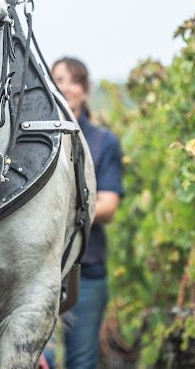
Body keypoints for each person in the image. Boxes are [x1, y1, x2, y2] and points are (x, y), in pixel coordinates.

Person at [47, 57, 125, 369]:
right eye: (57, 79)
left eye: (72, 80)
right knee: (39, 359)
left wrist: (56, 211)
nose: (64, 87)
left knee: (81, 361)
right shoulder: (35, 140)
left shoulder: (103, 142)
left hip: (86, 269)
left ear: (86, 90)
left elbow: (107, 206)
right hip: (38, 270)